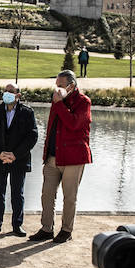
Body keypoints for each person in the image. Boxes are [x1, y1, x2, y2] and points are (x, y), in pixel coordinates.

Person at [30, 70, 92, 244]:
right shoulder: (57, 101)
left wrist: (59, 104)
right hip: (52, 157)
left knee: (69, 197)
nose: (56, 89)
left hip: (73, 158)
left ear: (71, 86)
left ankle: (66, 230)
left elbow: (74, 124)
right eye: (56, 85)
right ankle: (46, 228)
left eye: (60, 85)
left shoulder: (83, 102)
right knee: (47, 194)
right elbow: (51, 127)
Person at [0, 81, 38, 236]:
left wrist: (15, 155)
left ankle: (17, 225)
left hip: (18, 160)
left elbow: (32, 137)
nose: (6, 93)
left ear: (18, 95)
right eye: (5, 91)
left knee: (17, 193)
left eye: (10, 91)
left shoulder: (27, 112)